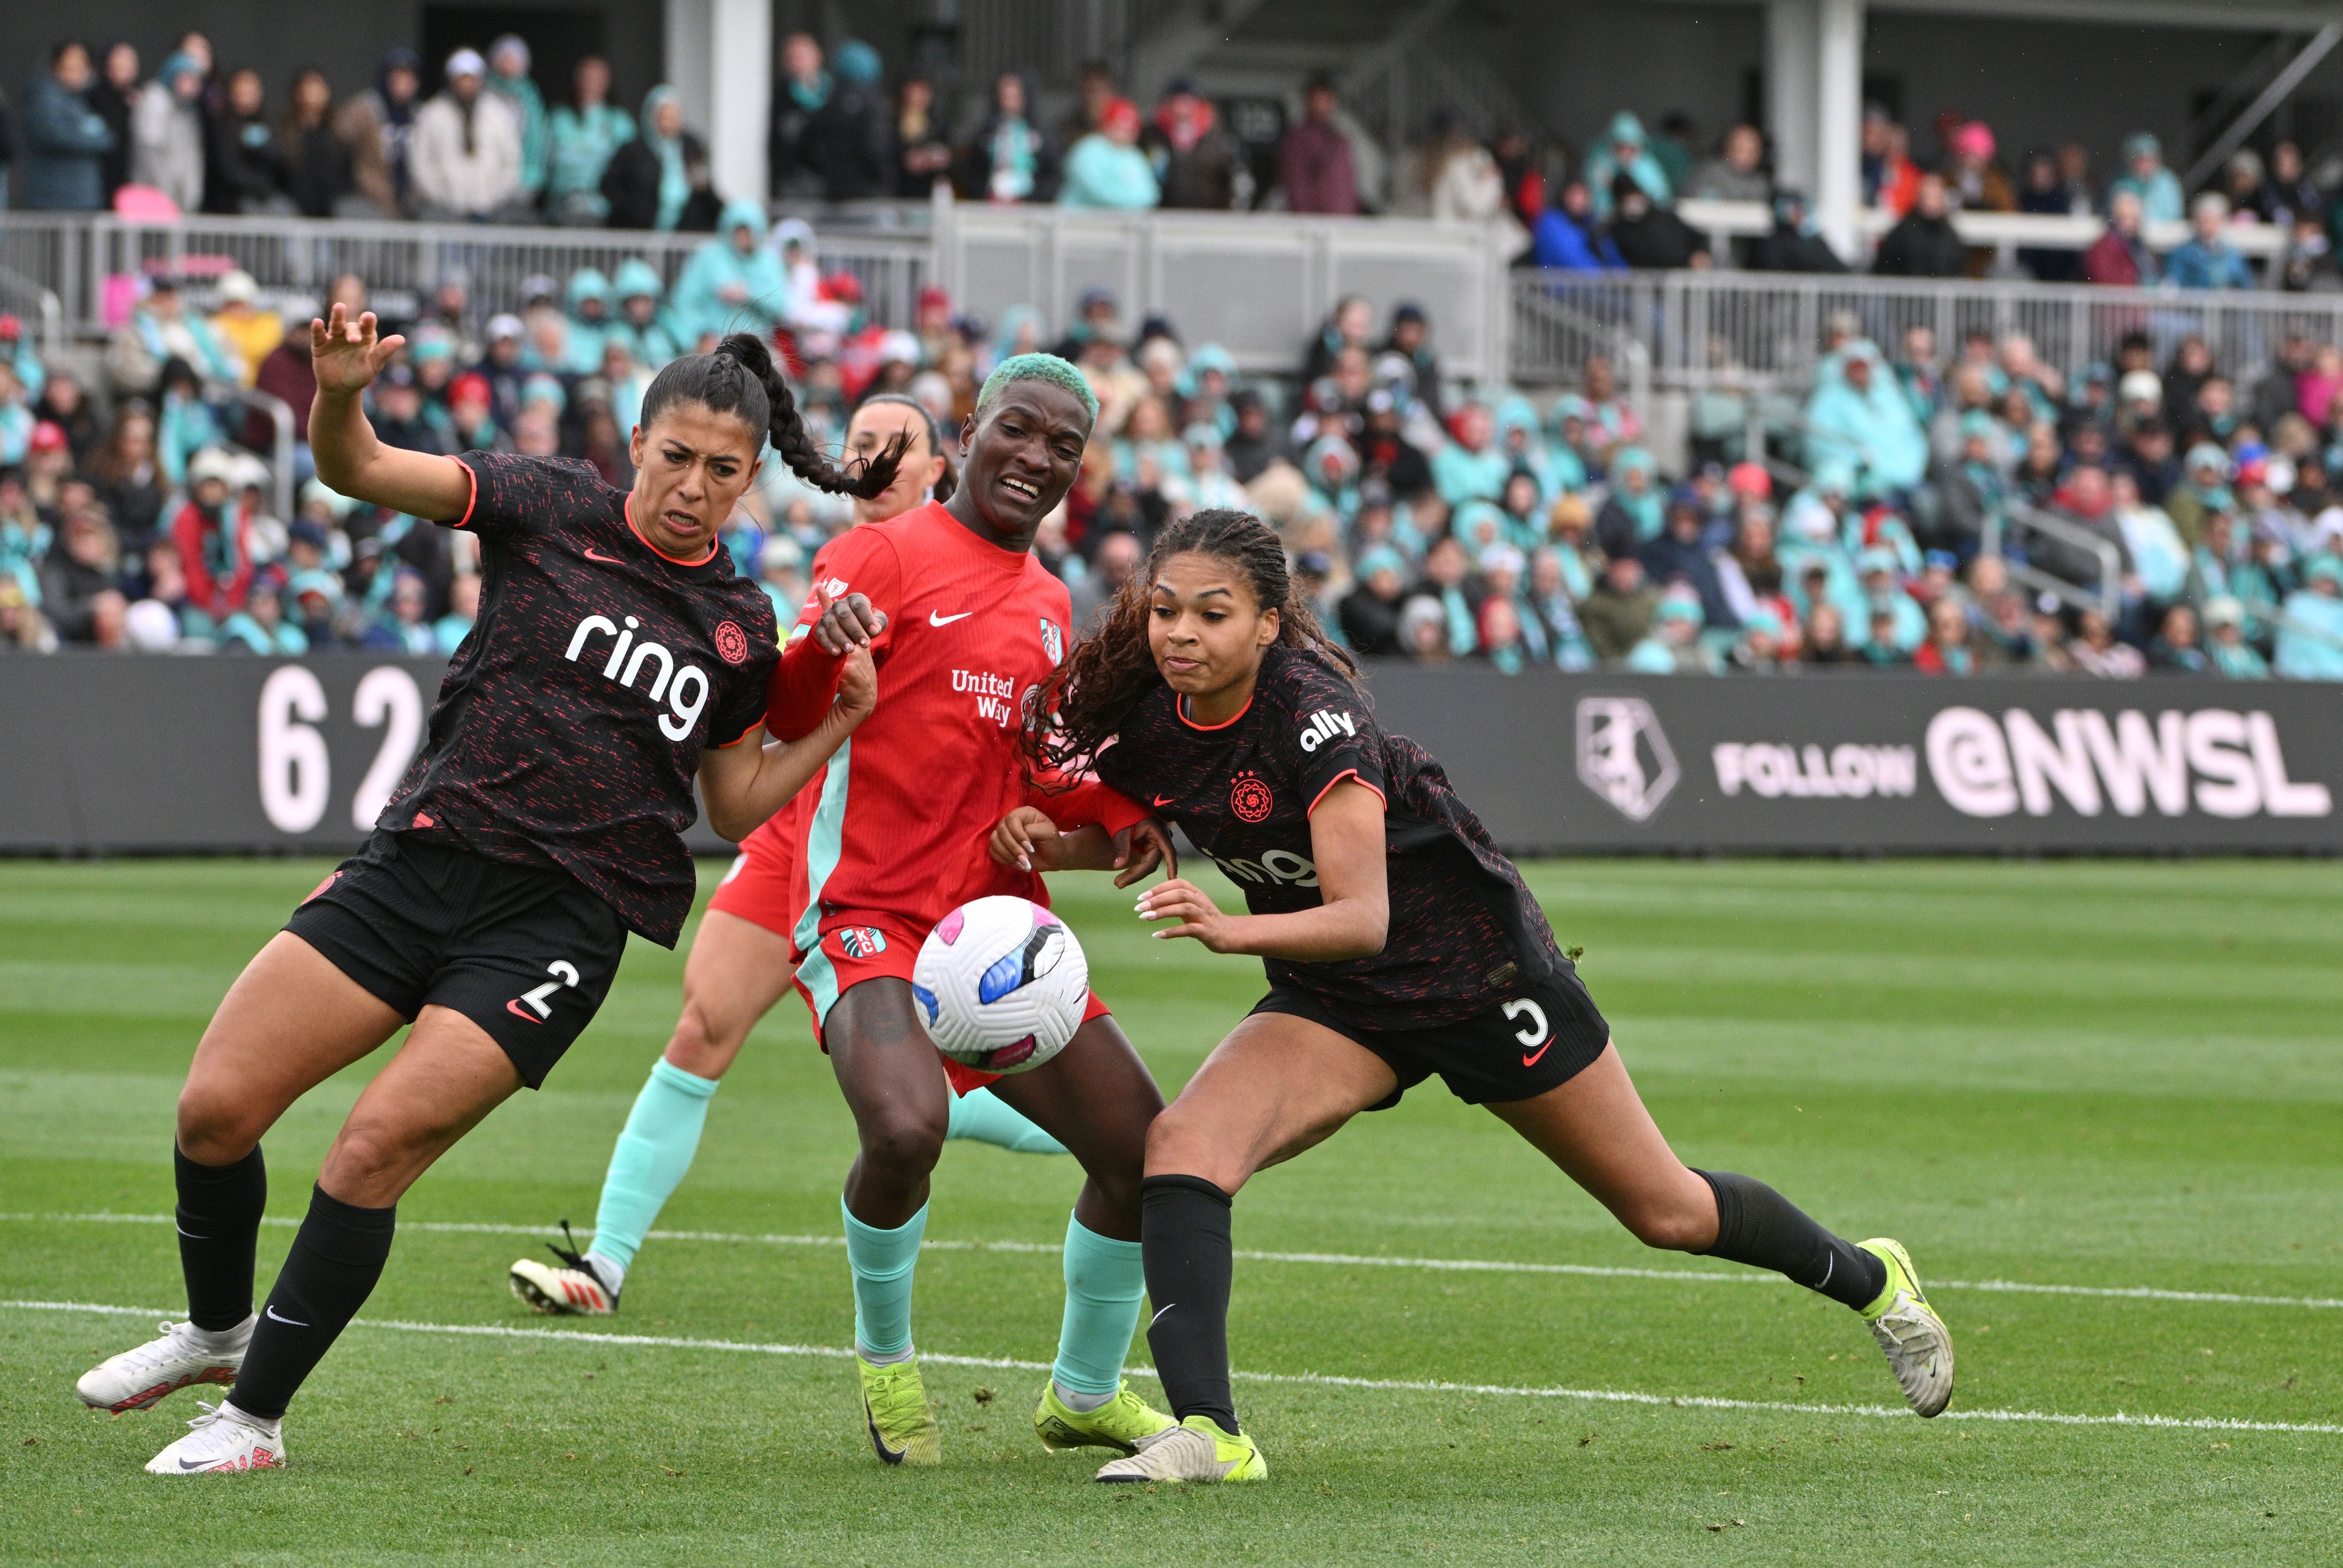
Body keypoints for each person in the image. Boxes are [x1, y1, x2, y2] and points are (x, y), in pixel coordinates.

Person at [72, 304, 892, 1476]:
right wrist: (340, 390)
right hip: (416, 864)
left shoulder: (738, 624)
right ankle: (213, 1332)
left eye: (722, 472)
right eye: (675, 458)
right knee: (213, 1111)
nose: (692, 489)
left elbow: (731, 805)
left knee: (368, 1151)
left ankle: (251, 1420)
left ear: (750, 477)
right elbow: (350, 466)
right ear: (637, 438)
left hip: (555, 926)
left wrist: (838, 725)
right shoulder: (544, 501)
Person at [1015, 508, 1952, 1483]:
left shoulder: (1315, 714)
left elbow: (1362, 914)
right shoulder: (1151, 720)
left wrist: (1227, 926)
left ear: (1266, 625)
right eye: (1165, 610)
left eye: (1212, 615)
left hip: (1484, 981)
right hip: (1339, 1003)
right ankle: (1213, 1435)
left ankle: (1873, 1280)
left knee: (1665, 1210)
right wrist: (1053, 840)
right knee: (1185, 1149)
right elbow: (1132, 827)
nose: (1180, 633)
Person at [545, 355, 1183, 1470]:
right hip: (865, 911)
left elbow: (1033, 762)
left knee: (1145, 1150)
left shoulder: (1046, 604)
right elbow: (781, 703)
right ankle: (885, 1357)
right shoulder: (878, 554)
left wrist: (1113, 814)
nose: (1037, 456)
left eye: (1063, 445)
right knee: (903, 1127)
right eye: (1018, 429)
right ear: (971, 432)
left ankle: (1084, 1390)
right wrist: (821, 652)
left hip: (993, 927)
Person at [507, 391, 1072, 1319]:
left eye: (899, 449)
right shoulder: (843, 563)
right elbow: (781, 705)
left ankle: (1024, 1129)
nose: (876, 464)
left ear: (942, 468)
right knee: (701, 1029)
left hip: (906, 868)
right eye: (859, 448)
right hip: (791, 835)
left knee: (924, 1102)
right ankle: (603, 1268)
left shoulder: (1004, 583)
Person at [410, 49, 526, 223]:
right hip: (446, 209)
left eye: (471, 78)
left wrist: (497, 194)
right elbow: (420, 159)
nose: (466, 84)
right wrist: (439, 194)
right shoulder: (433, 113)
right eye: (461, 78)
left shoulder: (498, 113)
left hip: (489, 208)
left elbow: (512, 158)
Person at [667, 199, 788, 344]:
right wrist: (702, 333)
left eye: (748, 231)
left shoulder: (769, 260)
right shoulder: (707, 257)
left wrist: (748, 294)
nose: (743, 237)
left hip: (756, 345)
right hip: (713, 342)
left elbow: (780, 306)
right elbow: (685, 301)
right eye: (738, 231)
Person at [601, 85, 712, 233]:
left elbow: (702, 184)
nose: (669, 123)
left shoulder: (692, 146)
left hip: (682, 231)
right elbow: (610, 186)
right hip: (639, 230)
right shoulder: (633, 150)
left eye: (674, 117)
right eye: (664, 117)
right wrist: (634, 211)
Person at [545, 55, 632, 225]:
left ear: (607, 82)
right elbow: (547, 163)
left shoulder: (620, 122)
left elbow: (628, 169)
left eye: (597, 79)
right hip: (561, 210)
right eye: (586, 77)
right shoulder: (558, 118)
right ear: (576, 79)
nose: (591, 83)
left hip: (605, 213)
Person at [337, 46, 420, 216]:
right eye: (397, 77)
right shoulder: (364, 109)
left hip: (410, 201)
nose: (403, 83)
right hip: (371, 198)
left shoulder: (422, 113)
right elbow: (339, 142)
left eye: (409, 78)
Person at [1146, 78, 1241, 211]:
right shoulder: (1152, 135)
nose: (1181, 108)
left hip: (1207, 215)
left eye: (1187, 102)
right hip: (1164, 213)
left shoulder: (1216, 137)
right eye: (1176, 101)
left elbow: (1231, 178)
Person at [964, 70, 1058, 203]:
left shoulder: (1042, 132)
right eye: (1004, 96)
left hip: (1030, 205)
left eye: (1014, 96)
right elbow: (974, 171)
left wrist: (1029, 198)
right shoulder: (987, 132)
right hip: (992, 204)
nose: (1008, 102)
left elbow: (1052, 174)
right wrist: (986, 194)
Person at [131, 50, 206, 213]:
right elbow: (151, 148)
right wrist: (164, 195)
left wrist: (190, 198)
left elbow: (191, 157)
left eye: (195, 80)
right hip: (153, 199)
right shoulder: (155, 100)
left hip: (177, 203)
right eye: (185, 78)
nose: (191, 86)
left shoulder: (187, 110)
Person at [276, 68, 352, 218]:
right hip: (294, 212)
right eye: (308, 88)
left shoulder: (337, 134)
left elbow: (344, 174)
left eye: (318, 88)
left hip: (330, 213)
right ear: (297, 93)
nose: (313, 94)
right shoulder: (285, 133)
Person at [1059, 96, 1158, 210]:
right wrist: (1129, 200)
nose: (1123, 133)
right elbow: (1095, 189)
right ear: (1106, 125)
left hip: (1122, 223)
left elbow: (1151, 194)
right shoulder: (1090, 148)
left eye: (1129, 129)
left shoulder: (1135, 155)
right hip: (1079, 221)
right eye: (1118, 127)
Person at [1278, 74, 1357, 215]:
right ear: (1308, 101)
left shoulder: (1340, 139)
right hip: (1315, 224)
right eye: (1318, 99)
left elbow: (1347, 184)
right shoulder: (1298, 139)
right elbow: (1297, 183)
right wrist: (1308, 218)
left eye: (1327, 99)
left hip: (1343, 223)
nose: (1323, 105)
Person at [767, 31, 829, 200]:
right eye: (791, 58)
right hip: (792, 184)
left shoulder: (833, 95)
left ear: (817, 57)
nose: (796, 63)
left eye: (800, 57)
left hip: (827, 183)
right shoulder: (780, 97)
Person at [484, 36, 547, 202]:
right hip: (490, 176)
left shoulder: (531, 96)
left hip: (524, 176)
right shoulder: (485, 93)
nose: (509, 65)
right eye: (505, 59)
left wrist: (533, 174)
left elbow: (537, 137)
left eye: (514, 60)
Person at [1871, 172, 1966, 278]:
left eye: (1936, 197)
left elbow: (1957, 270)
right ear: (1918, 197)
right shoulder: (1903, 233)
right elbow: (1885, 269)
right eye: (1928, 197)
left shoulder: (1950, 235)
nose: (1931, 203)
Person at [2165, 193, 2255, 291]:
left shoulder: (2233, 253)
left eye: (2213, 220)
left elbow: (2245, 285)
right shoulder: (2183, 252)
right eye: (2204, 220)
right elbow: (2174, 283)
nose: (2208, 225)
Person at [91, 41, 142, 203]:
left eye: (131, 64)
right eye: (120, 65)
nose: (127, 70)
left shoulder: (139, 98)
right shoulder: (95, 96)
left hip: (130, 177)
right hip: (103, 179)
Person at [1753, 188, 1847, 273]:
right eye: (1792, 209)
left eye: (1800, 208)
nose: (1799, 213)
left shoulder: (1813, 241)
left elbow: (1837, 268)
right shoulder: (1773, 245)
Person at [2106, 131, 2183, 224]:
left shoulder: (2167, 182)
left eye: (2149, 159)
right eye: (2140, 160)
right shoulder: (2121, 181)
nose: (2145, 165)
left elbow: (2175, 215)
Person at [2083, 189, 2156, 287]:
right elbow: (2106, 283)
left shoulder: (2141, 248)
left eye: (2134, 218)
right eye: (2125, 218)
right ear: (2115, 218)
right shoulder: (2103, 250)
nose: (2130, 224)